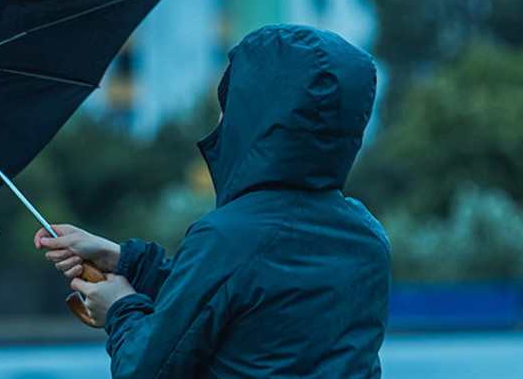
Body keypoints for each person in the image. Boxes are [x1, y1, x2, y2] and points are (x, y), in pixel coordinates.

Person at [34, 24, 391, 378]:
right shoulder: (368, 238)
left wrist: (119, 309)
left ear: (252, 117)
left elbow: (145, 370)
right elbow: (246, 297)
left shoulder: (226, 238)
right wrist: (126, 260)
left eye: (229, 104)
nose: (220, 117)